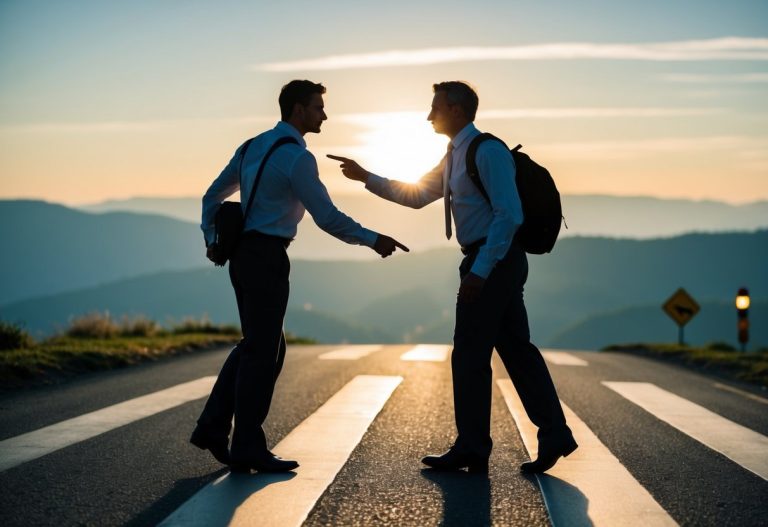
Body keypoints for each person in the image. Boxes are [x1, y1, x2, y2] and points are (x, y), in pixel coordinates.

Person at [327, 81, 576, 474]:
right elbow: (416, 195)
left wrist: (479, 271)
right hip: (491, 261)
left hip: (492, 261)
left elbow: (510, 215)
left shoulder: (486, 151)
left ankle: (473, 447)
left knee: (470, 354)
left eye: (436, 108)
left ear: (457, 111)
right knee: (517, 351)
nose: (429, 116)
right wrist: (365, 177)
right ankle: (554, 434)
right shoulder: (455, 155)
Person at [191, 80, 409, 473]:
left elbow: (212, 197)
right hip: (268, 257)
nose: (324, 114)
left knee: (261, 346)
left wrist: (212, 239)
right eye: (318, 107)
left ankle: (213, 427)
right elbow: (327, 217)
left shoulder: (251, 146)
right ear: (298, 110)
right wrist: (373, 239)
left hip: (242, 257)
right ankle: (246, 445)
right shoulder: (297, 158)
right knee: (262, 352)